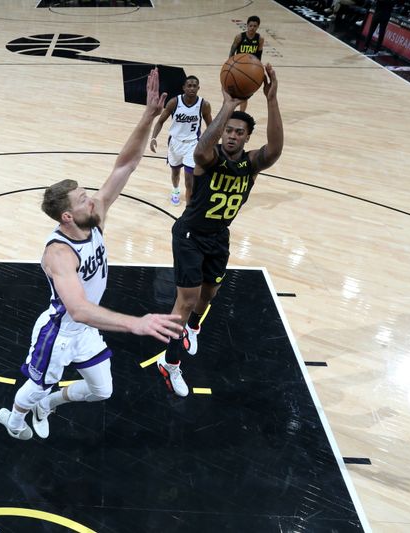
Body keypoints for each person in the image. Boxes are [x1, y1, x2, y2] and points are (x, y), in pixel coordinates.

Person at [0, 68, 183, 441]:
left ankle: (48, 407)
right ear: (68, 216)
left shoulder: (94, 215)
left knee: (102, 390)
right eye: (83, 198)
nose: (93, 198)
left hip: (85, 330)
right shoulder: (59, 253)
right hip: (61, 331)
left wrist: (147, 116)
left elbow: (124, 165)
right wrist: (136, 323)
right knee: (34, 387)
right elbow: (79, 309)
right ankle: (14, 421)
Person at [157, 65, 284, 397]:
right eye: (228, 130)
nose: (232, 135)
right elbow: (200, 149)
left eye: (239, 132)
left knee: (209, 295)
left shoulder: (251, 165)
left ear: (246, 138)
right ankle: (170, 365)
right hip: (189, 234)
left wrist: (271, 99)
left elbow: (276, 150)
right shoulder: (208, 159)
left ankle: (193, 328)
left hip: (218, 236)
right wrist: (228, 105)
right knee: (185, 300)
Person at [149, 75, 213, 206]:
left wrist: (208, 143)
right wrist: (153, 138)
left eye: (195, 86)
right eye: (189, 85)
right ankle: (176, 191)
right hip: (175, 143)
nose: (192, 88)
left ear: (198, 88)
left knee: (189, 179)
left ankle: (189, 207)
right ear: (183, 88)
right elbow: (160, 121)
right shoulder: (174, 102)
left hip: (192, 145)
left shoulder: (204, 104)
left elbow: (211, 126)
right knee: (175, 173)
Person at [228, 15, 264, 112]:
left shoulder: (260, 39)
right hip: (238, 67)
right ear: (247, 25)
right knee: (231, 93)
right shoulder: (239, 37)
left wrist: (258, 71)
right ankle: (228, 112)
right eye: (250, 25)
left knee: (244, 94)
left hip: (250, 70)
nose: (252, 28)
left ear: (258, 27)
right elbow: (231, 53)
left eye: (255, 26)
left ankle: (241, 114)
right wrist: (230, 66)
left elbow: (259, 57)